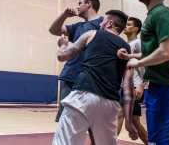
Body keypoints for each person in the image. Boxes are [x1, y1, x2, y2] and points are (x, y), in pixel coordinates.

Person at [52, 10, 138, 145]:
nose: (100, 23)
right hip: (110, 104)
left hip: (83, 96)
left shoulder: (92, 34)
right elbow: (128, 87)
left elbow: (62, 56)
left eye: (103, 21)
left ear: (109, 23)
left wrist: (62, 44)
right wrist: (128, 120)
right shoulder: (127, 49)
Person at [120, 0, 169, 144]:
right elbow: (153, 52)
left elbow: (166, 53)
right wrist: (131, 57)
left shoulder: (163, 14)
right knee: (155, 137)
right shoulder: (152, 16)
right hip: (157, 86)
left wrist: (138, 63)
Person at [49, 0, 103, 122]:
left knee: (88, 121)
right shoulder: (77, 26)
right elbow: (53, 30)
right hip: (70, 76)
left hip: (90, 79)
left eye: (80, 3)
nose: (77, 6)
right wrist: (64, 15)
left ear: (89, 4)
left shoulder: (102, 23)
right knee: (65, 119)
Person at [117, 17, 148, 145]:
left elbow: (147, 65)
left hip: (134, 86)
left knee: (120, 115)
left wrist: (141, 85)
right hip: (124, 86)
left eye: (129, 25)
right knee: (134, 120)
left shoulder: (138, 43)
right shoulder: (125, 44)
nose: (125, 26)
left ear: (136, 28)